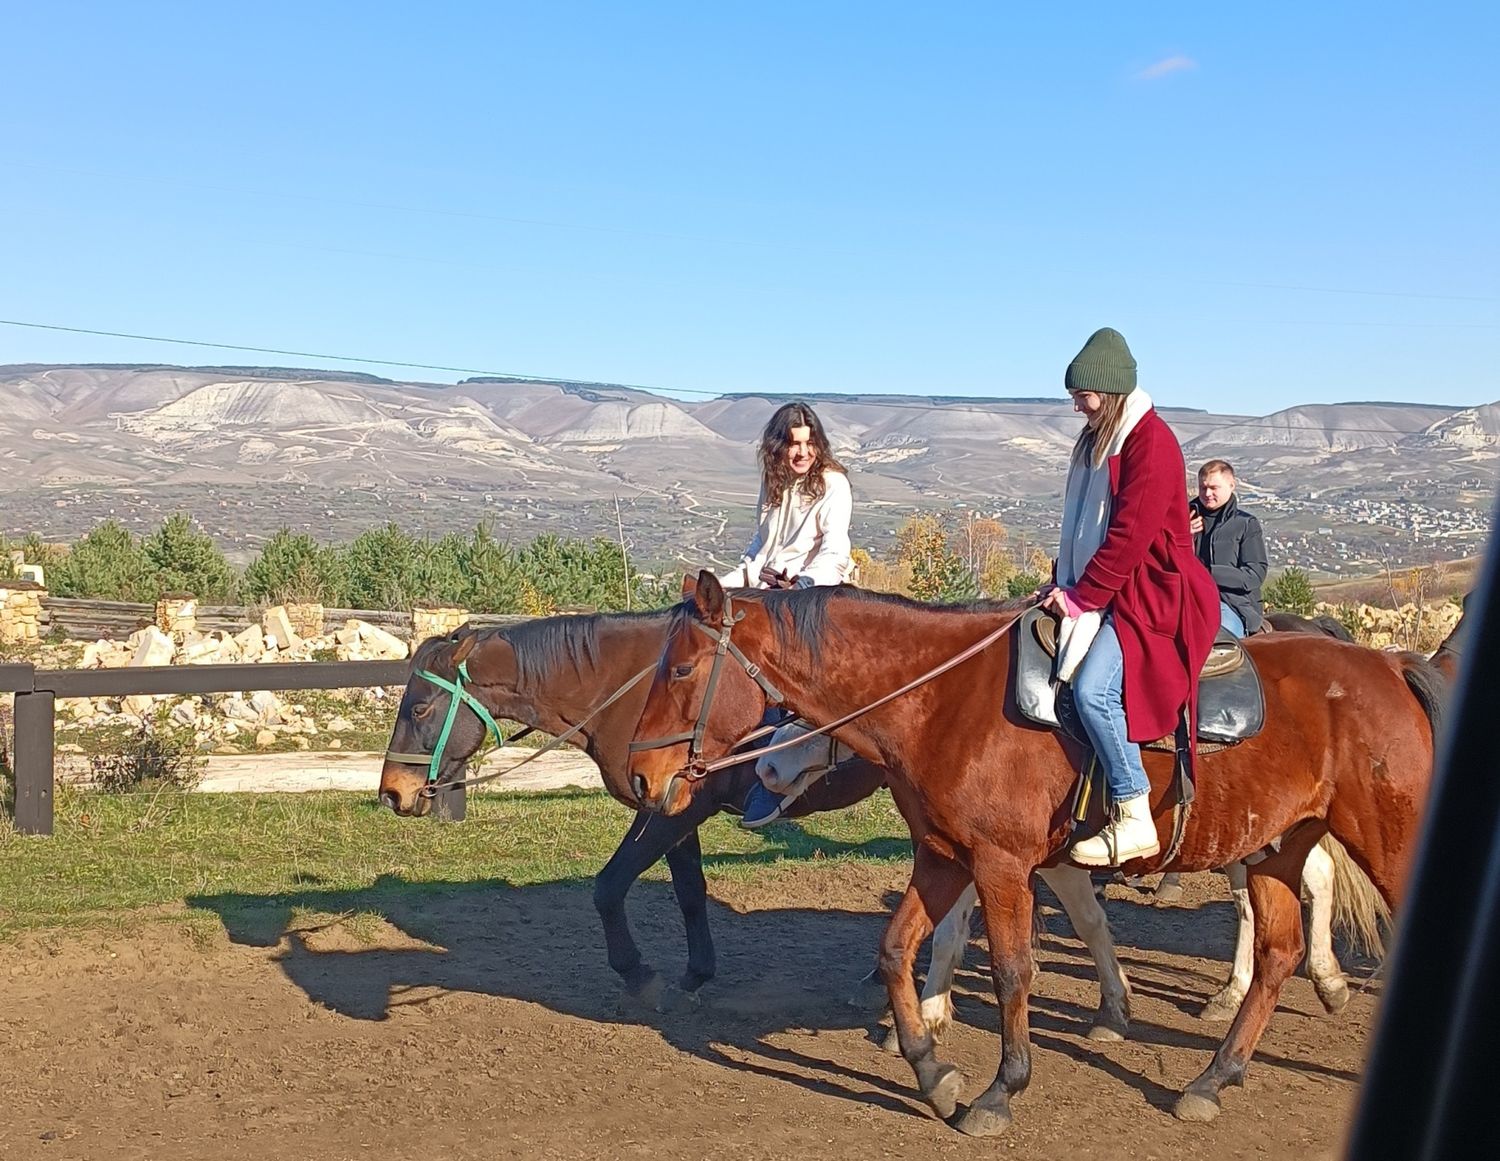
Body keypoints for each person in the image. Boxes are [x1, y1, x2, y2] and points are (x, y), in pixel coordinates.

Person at [1037, 328, 1220, 866]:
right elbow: (1084, 528)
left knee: (1094, 689)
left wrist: (1082, 598)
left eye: (1082, 395)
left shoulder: (1151, 443)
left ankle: (1133, 809)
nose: (1076, 406)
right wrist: (1062, 581)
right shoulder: (1104, 441)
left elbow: (1129, 535)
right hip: (1117, 588)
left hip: (1154, 596)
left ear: (1107, 390)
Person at [718, 400, 853, 827]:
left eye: (809, 443)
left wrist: (802, 587)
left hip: (812, 597)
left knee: (789, 686)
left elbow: (835, 550)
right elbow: (759, 548)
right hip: (768, 594)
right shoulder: (774, 483)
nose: (802, 452)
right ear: (777, 448)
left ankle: (777, 783)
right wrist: (724, 583)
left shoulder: (833, 484)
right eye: (793, 444)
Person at [1189, 459, 1268, 637]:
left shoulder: (1245, 524)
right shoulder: (1183, 518)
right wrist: (1181, 537)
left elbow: (1254, 575)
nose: (1207, 493)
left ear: (1231, 485)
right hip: (1187, 598)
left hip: (1232, 604)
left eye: (1214, 488)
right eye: (1203, 488)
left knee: (1220, 640)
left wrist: (1207, 572)